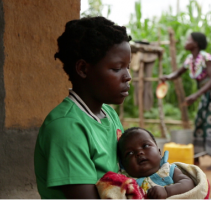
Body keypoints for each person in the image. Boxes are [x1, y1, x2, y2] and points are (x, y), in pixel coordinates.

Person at [34, 16, 132, 199]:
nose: (128, 76)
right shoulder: (67, 127)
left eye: (128, 67)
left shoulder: (109, 114)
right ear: (83, 69)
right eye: (118, 68)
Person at [160, 32, 211, 171]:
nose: (186, 42)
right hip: (205, 92)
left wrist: (195, 95)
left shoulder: (206, 57)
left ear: (196, 44)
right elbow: (178, 73)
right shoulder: (189, 59)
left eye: (188, 40)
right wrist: (167, 77)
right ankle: (196, 156)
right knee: (199, 121)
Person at [117, 127, 196, 199]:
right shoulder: (125, 181)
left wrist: (167, 191)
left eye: (146, 146)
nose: (139, 152)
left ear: (159, 151)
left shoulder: (168, 169)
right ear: (123, 164)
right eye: (130, 153)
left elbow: (188, 183)